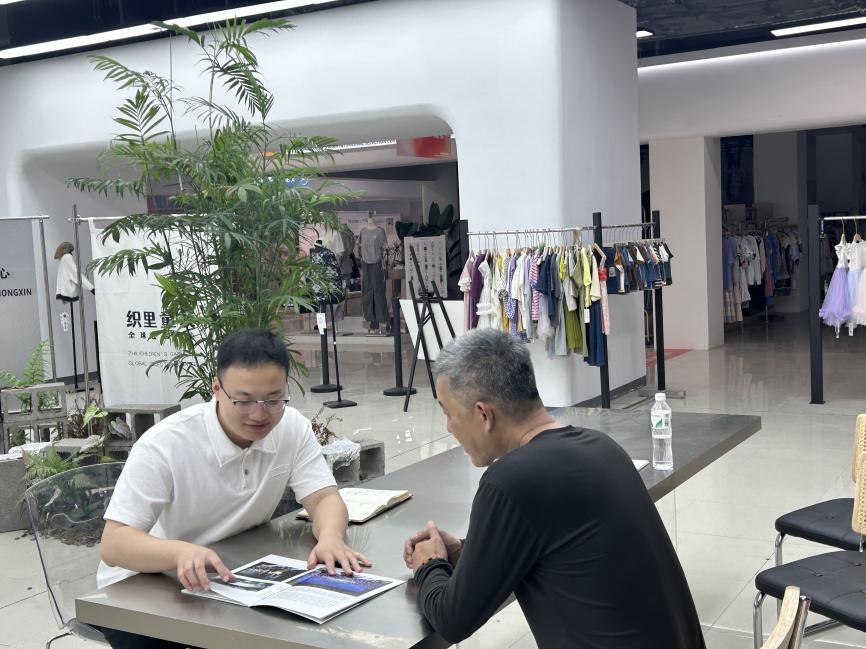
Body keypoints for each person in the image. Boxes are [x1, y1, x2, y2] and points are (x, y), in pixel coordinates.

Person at [402, 328, 705, 648]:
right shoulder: (601, 447)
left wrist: (429, 564)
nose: (448, 427)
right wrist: (466, 551)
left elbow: (453, 621)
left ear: (483, 414)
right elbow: (552, 540)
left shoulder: (510, 481)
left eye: (449, 413)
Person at [98, 327, 369, 649]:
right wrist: (182, 551)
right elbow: (114, 544)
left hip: (233, 577)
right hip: (145, 589)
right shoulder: (166, 444)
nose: (259, 414)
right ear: (217, 388)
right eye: (243, 401)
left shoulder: (291, 427)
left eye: (273, 400)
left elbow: (323, 497)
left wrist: (330, 537)